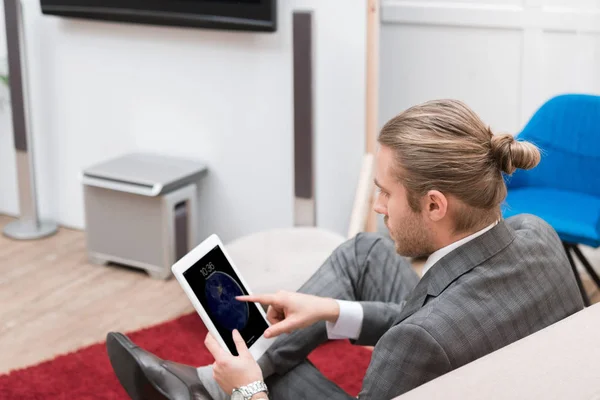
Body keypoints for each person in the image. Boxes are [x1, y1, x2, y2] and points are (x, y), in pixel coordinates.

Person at [106, 99, 584, 400]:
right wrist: (332, 311)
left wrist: (249, 388)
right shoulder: (533, 231)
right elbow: (452, 317)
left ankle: (215, 389)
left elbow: (428, 332)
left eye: (386, 193)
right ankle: (209, 385)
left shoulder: (415, 345)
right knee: (365, 252)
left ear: (434, 205)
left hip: (448, 352)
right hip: (488, 359)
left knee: (271, 374)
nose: (378, 206)